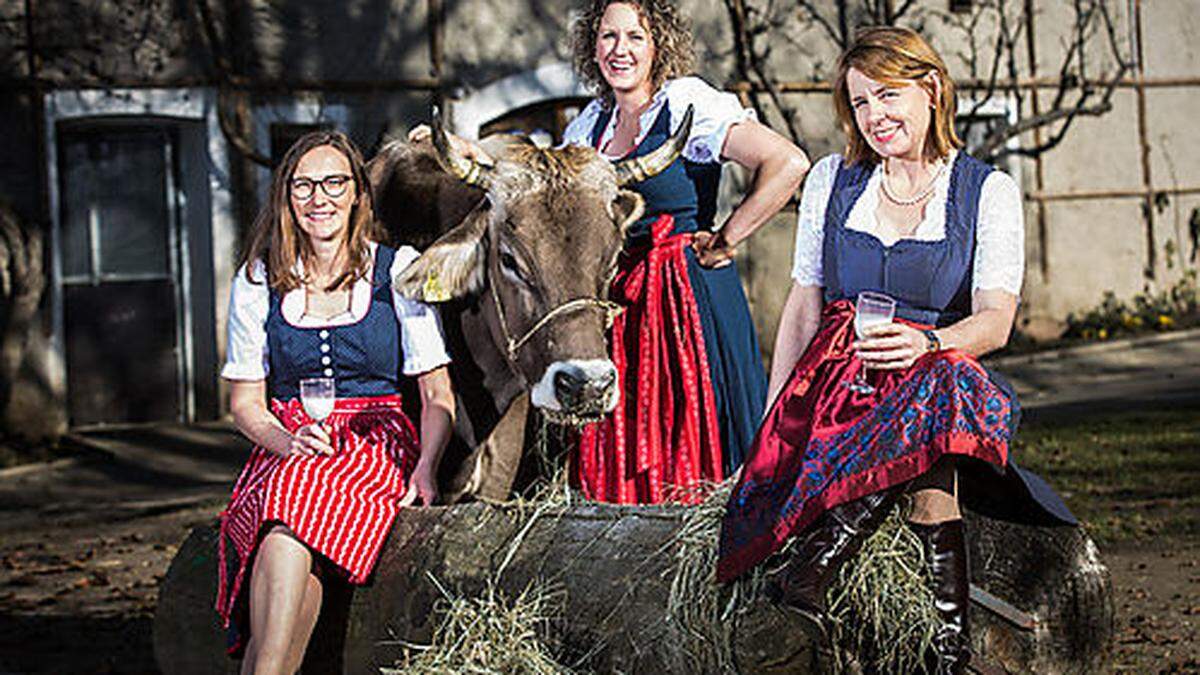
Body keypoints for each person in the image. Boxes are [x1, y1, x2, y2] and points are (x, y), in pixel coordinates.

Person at [717, 27, 1077, 673]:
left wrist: (926, 341)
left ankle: (814, 571)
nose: (875, 116)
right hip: (838, 386)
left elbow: (994, 323)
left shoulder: (984, 190)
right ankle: (949, 651)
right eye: (859, 103)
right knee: (937, 458)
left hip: (933, 372)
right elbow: (805, 302)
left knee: (945, 387)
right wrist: (775, 409)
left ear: (932, 88)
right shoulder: (834, 179)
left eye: (888, 95)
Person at [215, 131, 455, 674]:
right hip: (288, 445)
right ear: (285, 197)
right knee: (285, 522)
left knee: (288, 513)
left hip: (376, 442)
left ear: (356, 195)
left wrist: (426, 467)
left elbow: (437, 394)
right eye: (303, 185)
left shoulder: (397, 270)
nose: (318, 198)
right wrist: (287, 440)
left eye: (333, 183)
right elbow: (247, 405)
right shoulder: (259, 279)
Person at [561, 0, 809, 503]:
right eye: (608, 36)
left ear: (658, 45)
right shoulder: (587, 127)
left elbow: (787, 162)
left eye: (636, 36)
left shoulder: (686, 104)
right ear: (593, 46)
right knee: (622, 437)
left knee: (699, 431)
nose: (620, 49)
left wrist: (728, 237)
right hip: (618, 307)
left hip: (686, 297)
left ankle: (712, 555)